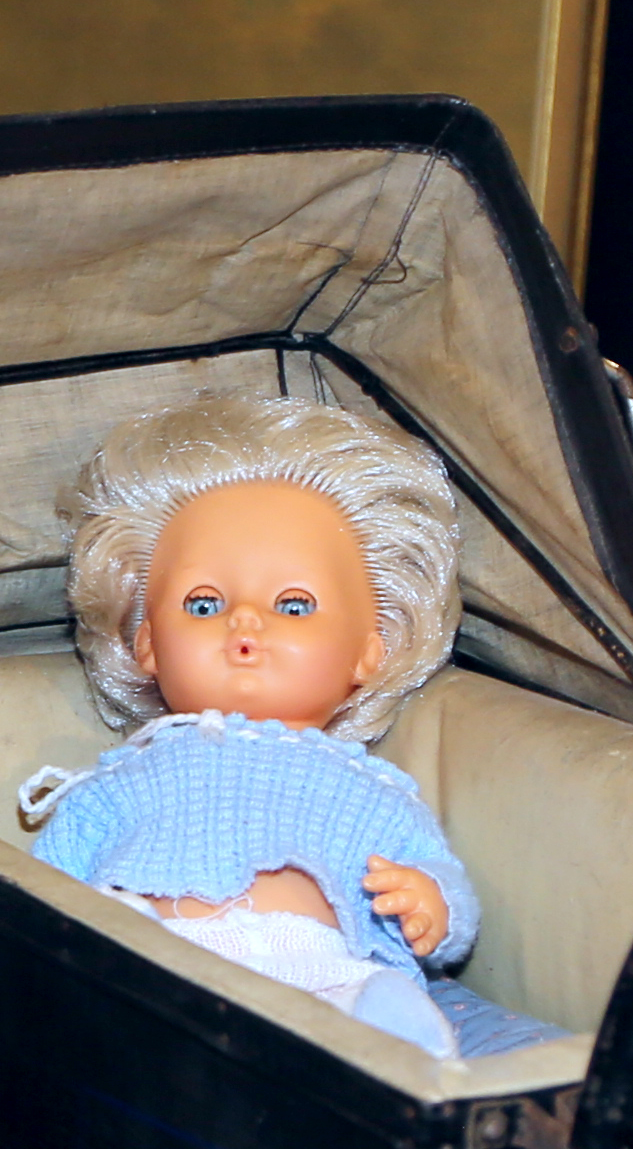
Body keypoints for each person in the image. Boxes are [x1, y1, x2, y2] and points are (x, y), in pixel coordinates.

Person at [26, 396, 498, 1064]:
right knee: (102, 938)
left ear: (372, 649)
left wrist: (430, 906)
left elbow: (439, 887)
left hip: (304, 964)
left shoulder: (366, 789)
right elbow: (46, 887)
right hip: (152, 945)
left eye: (294, 605)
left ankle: (392, 1055)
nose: (245, 622)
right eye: (205, 603)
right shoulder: (124, 778)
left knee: (366, 994)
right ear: (147, 642)